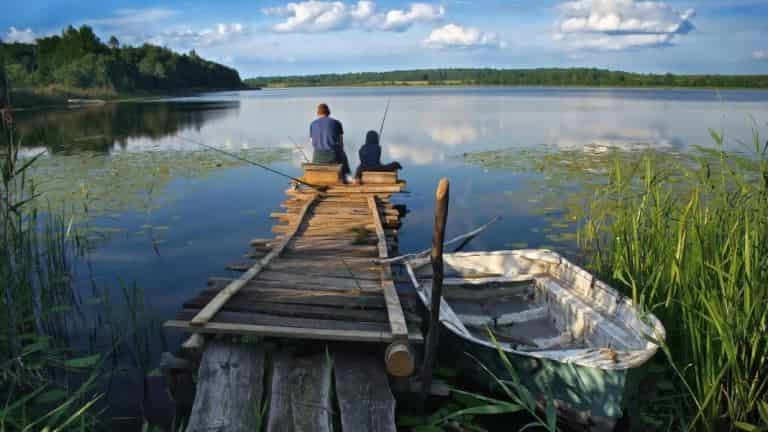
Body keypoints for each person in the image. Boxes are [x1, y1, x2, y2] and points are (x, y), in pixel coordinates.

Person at [309, 103, 351, 179]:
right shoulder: (336, 123)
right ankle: (346, 177)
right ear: (328, 112)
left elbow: (312, 142)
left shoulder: (312, 124)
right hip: (332, 156)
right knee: (343, 154)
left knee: (315, 152)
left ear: (318, 113)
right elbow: (341, 143)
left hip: (317, 157)